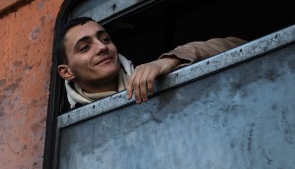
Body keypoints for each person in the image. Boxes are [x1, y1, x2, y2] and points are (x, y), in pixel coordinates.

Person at [56, 16, 245, 108]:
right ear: (67, 72)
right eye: (85, 47)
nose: (101, 47)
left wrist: (170, 61)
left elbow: (238, 45)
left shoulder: (153, 77)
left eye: (105, 39)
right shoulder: (69, 126)